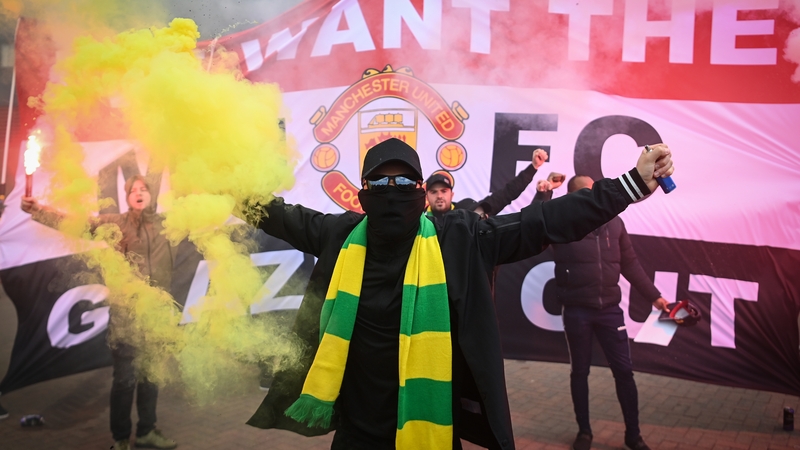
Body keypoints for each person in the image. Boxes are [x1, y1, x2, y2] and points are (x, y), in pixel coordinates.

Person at [244, 137, 674, 449]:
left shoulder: (460, 237)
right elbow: (275, 214)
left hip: (433, 425)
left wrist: (630, 184)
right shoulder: (339, 235)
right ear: (363, 194)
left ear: (419, 192)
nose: (392, 193)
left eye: (403, 183)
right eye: (380, 184)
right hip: (357, 430)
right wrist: (220, 184)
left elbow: (543, 222)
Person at [22, 175, 177, 450]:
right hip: (127, 317)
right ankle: (121, 439)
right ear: (127, 197)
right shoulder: (116, 223)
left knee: (150, 377)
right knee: (125, 380)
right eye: (133, 190)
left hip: (156, 316)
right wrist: (38, 210)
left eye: (144, 189)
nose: (139, 193)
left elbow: (203, 218)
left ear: (152, 194)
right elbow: (78, 225)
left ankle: (146, 432)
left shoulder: (166, 224)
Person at [535, 175, 670, 450]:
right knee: (579, 372)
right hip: (576, 311)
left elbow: (630, 264)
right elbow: (536, 229)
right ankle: (584, 432)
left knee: (624, 372)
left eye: (593, 192)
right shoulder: (562, 224)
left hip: (610, 310)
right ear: (573, 198)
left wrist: (655, 297)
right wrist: (545, 195)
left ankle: (633, 436)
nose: (593, 198)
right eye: (586, 193)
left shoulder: (614, 222)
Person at [426, 148, 558, 220]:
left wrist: (533, 167)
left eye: (444, 191)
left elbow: (506, 194)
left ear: (452, 194)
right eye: (434, 192)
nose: (439, 196)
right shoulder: (420, 219)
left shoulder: (467, 211)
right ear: (427, 195)